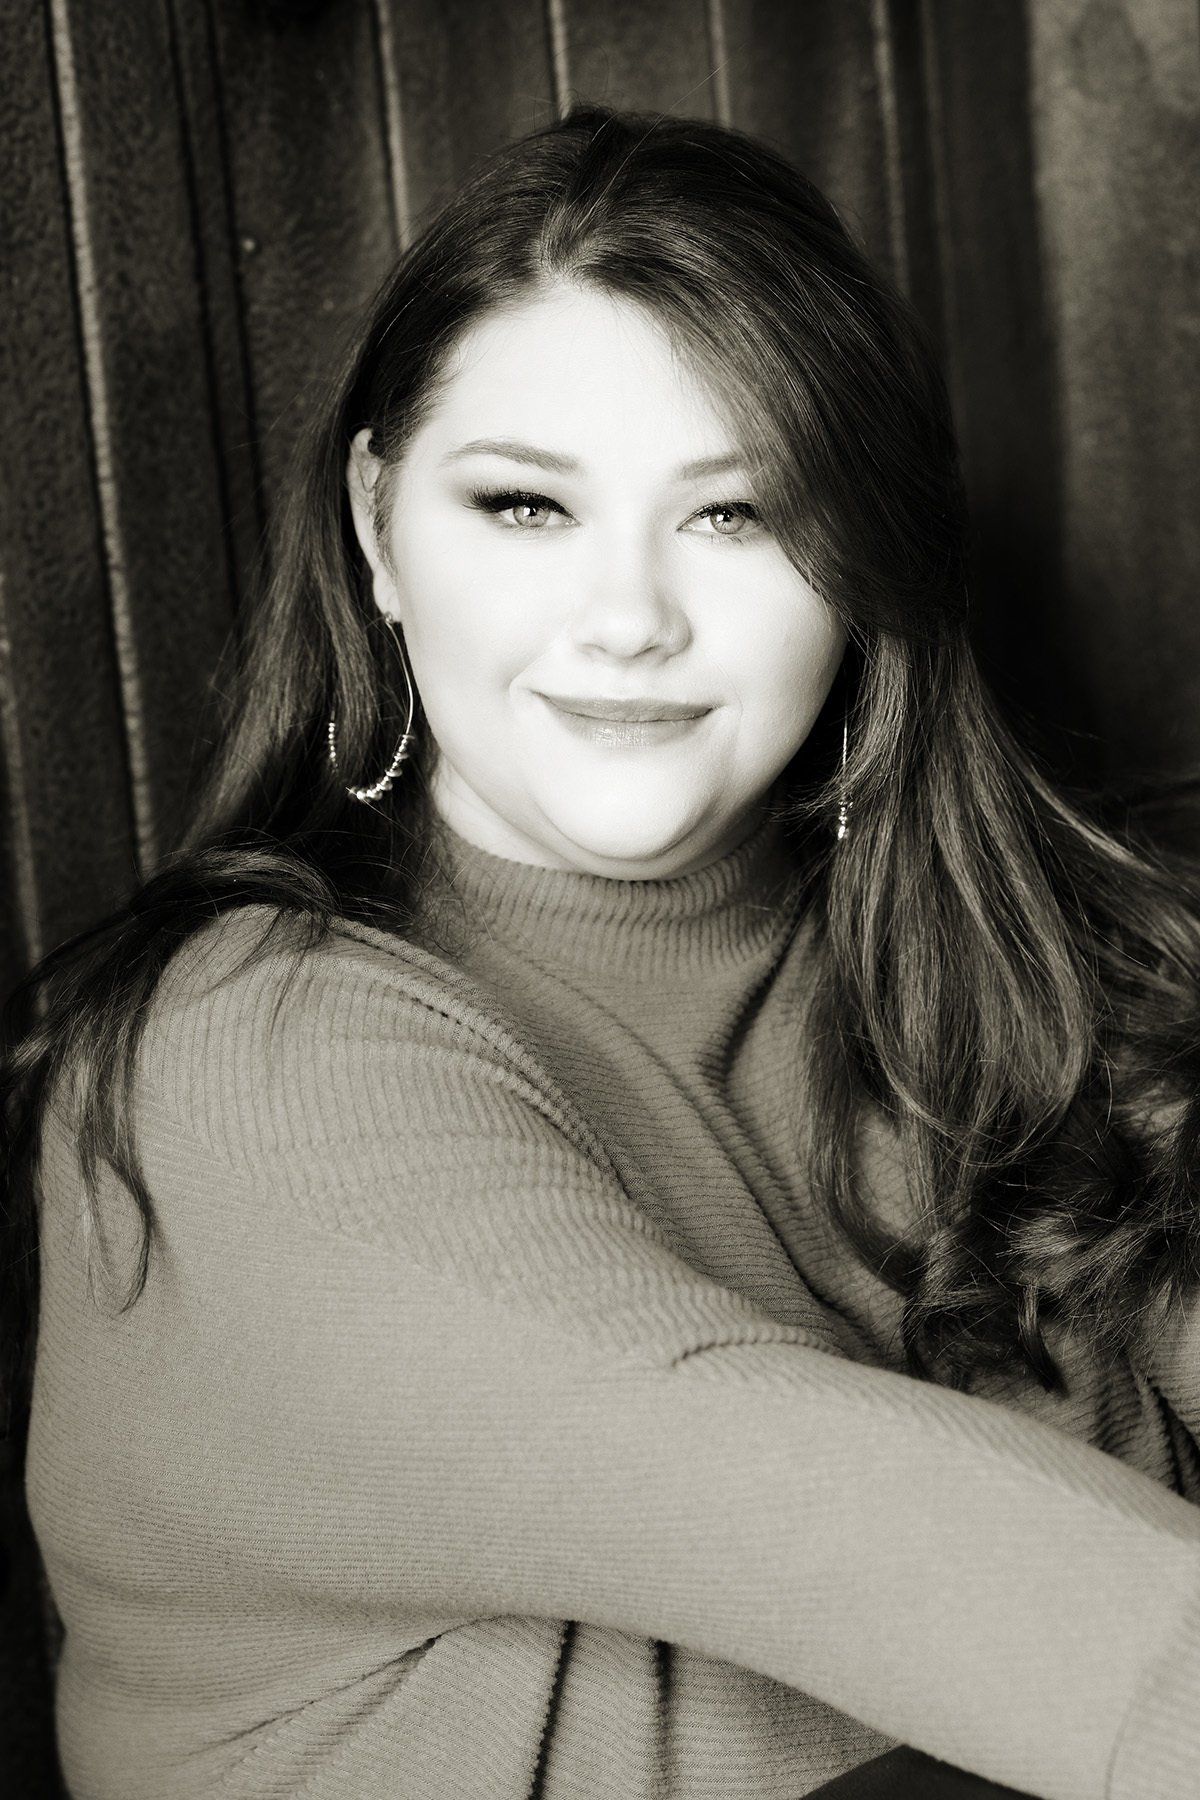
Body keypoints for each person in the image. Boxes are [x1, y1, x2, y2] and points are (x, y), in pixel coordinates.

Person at [3, 101, 1200, 1800]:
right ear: (377, 527)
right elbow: (816, 1510)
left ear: (859, 563)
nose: (630, 616)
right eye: (524, 508)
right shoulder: (256, 1064)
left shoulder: (970, 962)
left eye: (736, 514)